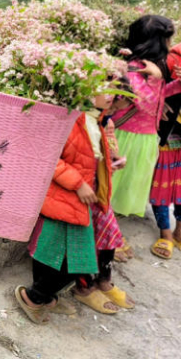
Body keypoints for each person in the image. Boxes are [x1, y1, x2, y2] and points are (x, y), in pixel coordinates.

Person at [15, 93, 134, 323]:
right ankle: (32, 298)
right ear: (85, 90)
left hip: (79, 200)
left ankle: (45, 298)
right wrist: (78, 184)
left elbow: (89, 159)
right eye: (104, 90)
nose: (112, 96)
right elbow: (50, 156)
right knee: (72, 261)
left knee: (52, 255)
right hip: (65, 196)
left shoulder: (95, 120)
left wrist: (109, 166)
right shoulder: (70, 119)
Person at [110, 17, 181, 243]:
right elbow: (145, 101)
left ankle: (110, 234)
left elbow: (160, 96)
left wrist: (177, 83)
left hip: (144, 139)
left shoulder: (151, 68)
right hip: (127, 139)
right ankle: (107, 239)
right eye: (168, 40)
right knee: (111, 191)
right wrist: (157, 78)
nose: (171, 46)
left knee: (123, 190)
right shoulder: (135, 68)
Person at [148, 42, 181, 259]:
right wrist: (161, 102)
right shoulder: (174, 56)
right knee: (162, 182)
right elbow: (154, 84)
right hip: (169, 134)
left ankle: (179, 231)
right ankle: (166, 233)